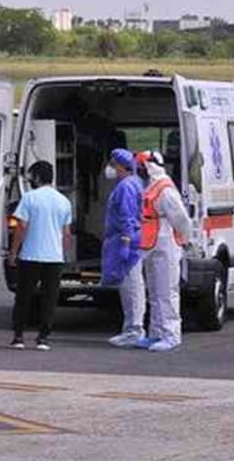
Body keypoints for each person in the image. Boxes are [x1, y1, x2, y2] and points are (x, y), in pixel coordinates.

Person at [7, 161, 73, 351]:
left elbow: (21, 228)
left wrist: (13, 252)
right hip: (54, 258)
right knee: (49, 299)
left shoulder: (29, 198)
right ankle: (43, 337)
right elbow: (66, 233)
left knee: (24, 297)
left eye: (31, 176)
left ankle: (18, 336)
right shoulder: (63, 201)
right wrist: (64, 254)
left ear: (37, 177)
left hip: (30, 255)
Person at [135, 151, 193, 352]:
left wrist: (185, 240)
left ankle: (171, 334)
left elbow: (181, 219)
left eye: (142, 166)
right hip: (152, 244)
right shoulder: (151, 186)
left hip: (166, 243)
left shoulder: (165, 189)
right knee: (155, 292)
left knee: (167, 292)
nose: (139, 170)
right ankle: (156, 332)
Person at [101, 148, 146, 348]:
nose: (109, 168)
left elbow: (128, 217)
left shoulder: (126, 186)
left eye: (112, 163)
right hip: (128, 239)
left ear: (121, 165)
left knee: (131, 287)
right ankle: (131, 328)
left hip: (127, 241)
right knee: (130, 286)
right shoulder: (132, 183)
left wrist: (126, 242)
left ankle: (134, 329)